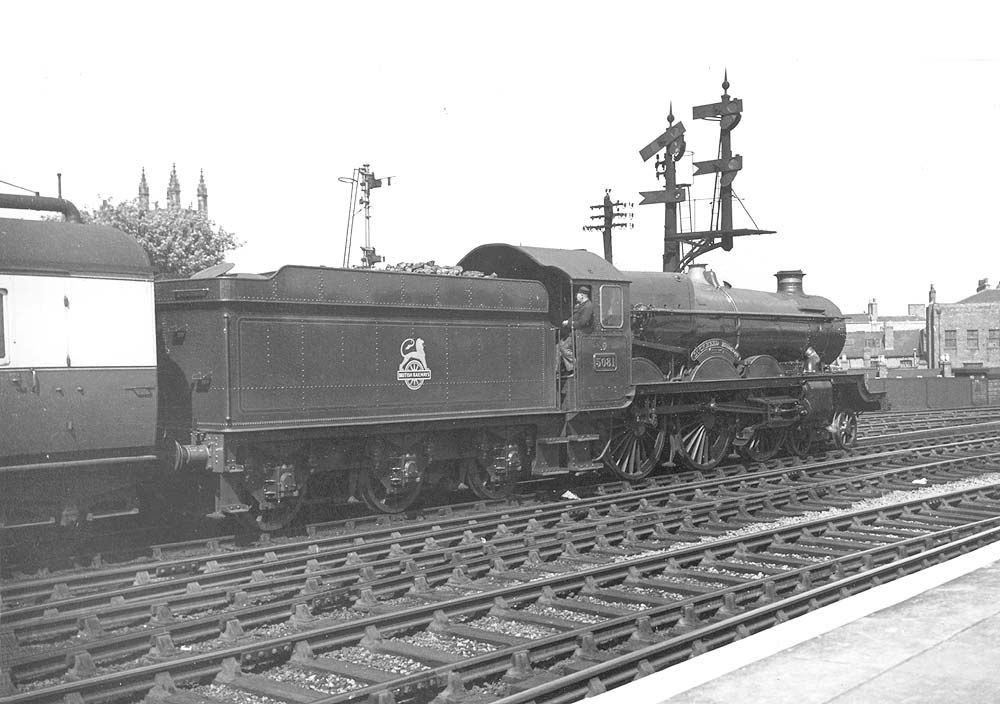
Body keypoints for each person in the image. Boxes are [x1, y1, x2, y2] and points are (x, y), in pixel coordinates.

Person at [558, 286, 595, 374]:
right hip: (576, 331)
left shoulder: (588, 306)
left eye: (577, 295)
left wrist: (569, 323)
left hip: (582, 332)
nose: (576, 296)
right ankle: (558, 371)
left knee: (564, 347)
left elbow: (583, 322)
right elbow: (576, 317)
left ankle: (576, 368)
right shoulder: (582, 305)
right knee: (558, 346)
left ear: (582, 295)